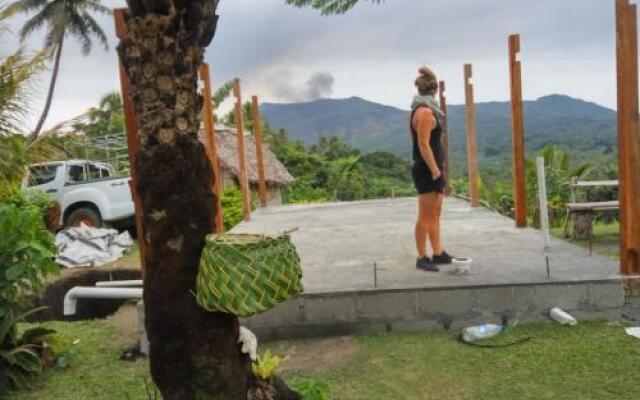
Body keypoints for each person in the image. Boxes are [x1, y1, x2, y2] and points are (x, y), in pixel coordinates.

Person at [410, 67, 454, 272]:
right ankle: (421, 257)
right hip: (427, 170)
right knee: (425, 217)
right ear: (434, 91)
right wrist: (436, 170)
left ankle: (437, 253)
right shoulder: (426, 112)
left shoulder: (421, 109)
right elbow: (423, 144)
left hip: (432, 168)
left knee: (435, 214)